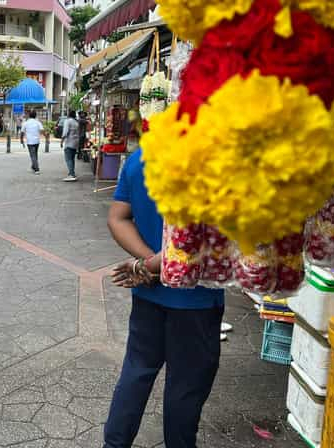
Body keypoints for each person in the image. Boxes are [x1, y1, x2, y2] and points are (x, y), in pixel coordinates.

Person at [104, 148, 224, 448]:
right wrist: (154, 267)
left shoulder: (140, 156)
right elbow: (202, 238)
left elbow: (117, 219)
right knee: (185, 390)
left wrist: (146, 265)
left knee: (135, 373)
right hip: (196, 301)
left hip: (147, 295)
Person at [61, 110, 80, 181]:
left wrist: (62, 140)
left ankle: (72, 174)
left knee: (68, 159)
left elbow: (65, 132)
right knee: (72, 159)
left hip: (69, 142)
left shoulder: (68, 121)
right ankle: (71, 173)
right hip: (75, 142)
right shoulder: (76, 122)